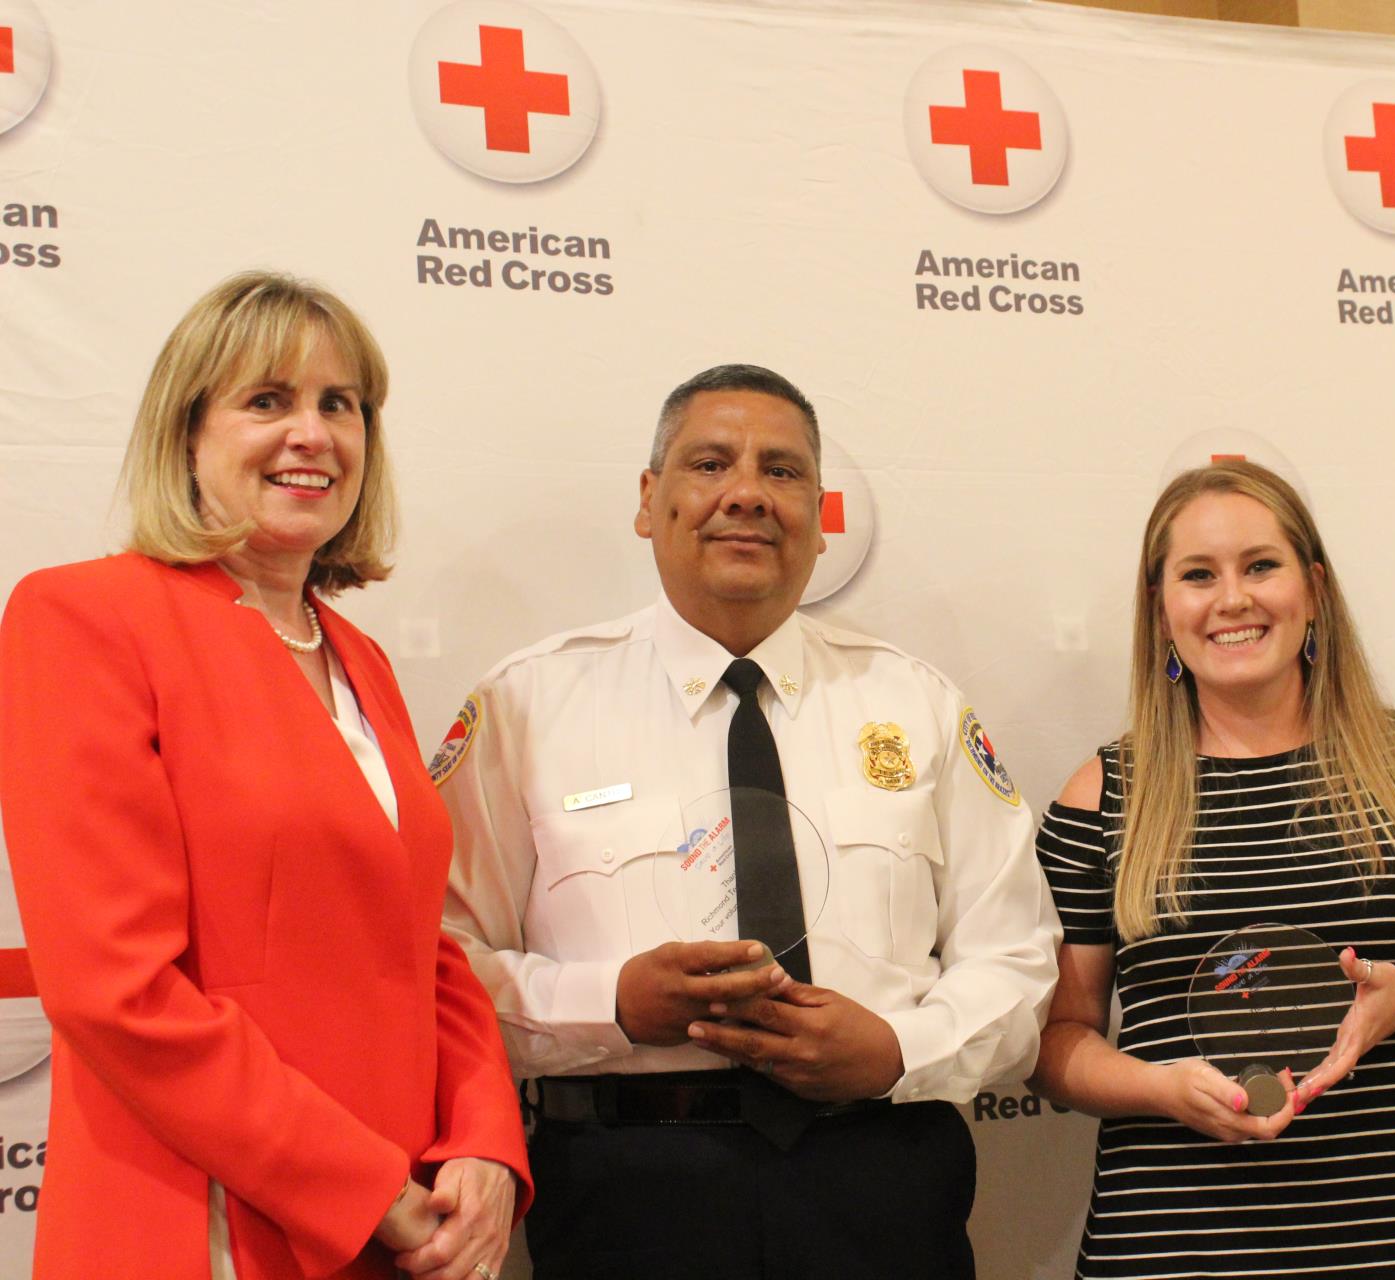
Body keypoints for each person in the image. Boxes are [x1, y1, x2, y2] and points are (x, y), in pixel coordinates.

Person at [436, 363, 1060, 1278]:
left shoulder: (917, 704)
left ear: (818, 509)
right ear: (650, 501)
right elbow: (442, 966)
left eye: (781, 470)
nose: (746, 495)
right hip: (628, 1198)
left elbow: (1016, 960)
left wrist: (897, 1048)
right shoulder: (529, 707)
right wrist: (609, 1007)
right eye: (709, 464)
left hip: (882, 1183)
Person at [0, 272, 531, 1279]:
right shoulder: (83, 618)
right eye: (267, 400)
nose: (312, 433)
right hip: (210, 1219)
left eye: (341, 404)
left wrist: (485, 1143)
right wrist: (363, 1188)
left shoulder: (359, 657)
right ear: (187, 432)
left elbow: (424, 950)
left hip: (404, 1224)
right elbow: (114, 989)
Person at [1031, 459, 1395, 1278]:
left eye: (1261, 566)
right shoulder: (1103, 796)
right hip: (1174, 1252)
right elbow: (1052, 1042)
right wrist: (1158, 1088)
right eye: (1199, 575)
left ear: (1312, 588)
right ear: (1161, 608)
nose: (1233, 599)